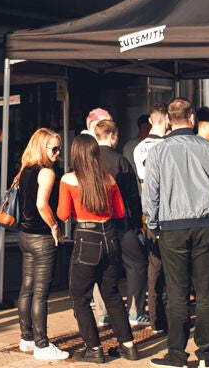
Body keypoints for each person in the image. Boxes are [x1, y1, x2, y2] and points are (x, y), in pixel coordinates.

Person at [141, 98, 209, 368]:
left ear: (169, 120)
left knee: (177, 292)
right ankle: (207, 354)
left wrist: (154, 225)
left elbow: (150, 194)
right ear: (192, 118)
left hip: (172, 227)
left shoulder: (158, 151)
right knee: (206, 291)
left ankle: (177, 355)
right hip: (206, 225)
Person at [59, 134, 142, 362]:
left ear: (75, 154)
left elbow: (63, 214)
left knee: (80, 297)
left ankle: (94, 349)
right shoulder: (108, 179)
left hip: (86, 238)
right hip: (110, 237)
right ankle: (128, 346)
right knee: (112, 293)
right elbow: (121, 212)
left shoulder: (69, 179)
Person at [15, 128, 68, 361]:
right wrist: (55, 227)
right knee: (40, 293)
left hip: (25, 236)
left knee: (27, 288)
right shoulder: (46, 172)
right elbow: (41, 204)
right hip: (42, 238)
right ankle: (42, 345)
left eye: (59, 148)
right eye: (54, 149)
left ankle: (27, 338)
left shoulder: (24, 171)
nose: (57, 153)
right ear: (41, 148)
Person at [95, 119, 150, 330]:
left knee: (98, 267)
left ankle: (102, 314)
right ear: (112, 136)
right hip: (120, 222)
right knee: (136, 264)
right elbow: (132, 195)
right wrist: (137, 222)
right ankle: (135, 311)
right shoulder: (120, 160)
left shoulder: (88, 161)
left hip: (94, 223)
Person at [133, 104, 171, 328]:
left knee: (154, 267)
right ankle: (176, 317)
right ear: (167, 120)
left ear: (149, 120)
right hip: (170, 212)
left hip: (148, 212)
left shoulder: (139, 148)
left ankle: (156, 319)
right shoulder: (169, 146)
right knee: (174, 268)